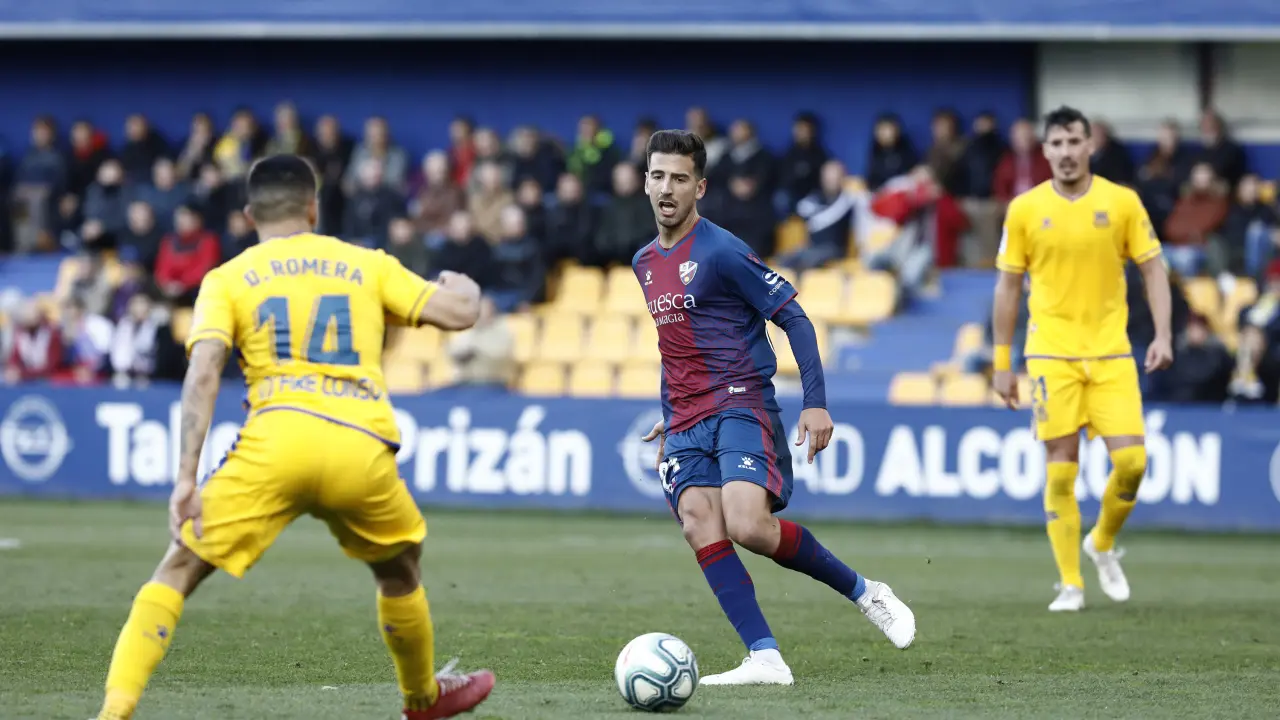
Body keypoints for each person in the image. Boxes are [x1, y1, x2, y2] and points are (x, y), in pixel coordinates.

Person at [94, 155, 495, 720]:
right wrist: (464, 285)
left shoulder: (227, 279)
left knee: (178, 569)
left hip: (274, 445)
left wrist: (186, 478)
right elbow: (460, 313)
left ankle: (115, 711)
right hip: (359, 445)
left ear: (249, 214)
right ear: (313, 208)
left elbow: (203, 371)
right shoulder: (365, 264)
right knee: (400, 568)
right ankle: (422, 698)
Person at [634, 131, 915, 686]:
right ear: (646, 182)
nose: (668, 188)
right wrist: (672, 409)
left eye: (680, 178)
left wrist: (816, 403)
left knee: (748, 526)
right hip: (686, 417)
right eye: (659, 176)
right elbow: (676, 344)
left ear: (699, 188)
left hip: (740, 401)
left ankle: (866, 592)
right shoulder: (644, 261)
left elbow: (795, 318)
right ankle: (765, 657)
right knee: (700, 524)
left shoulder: (722, 251)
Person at [992, 107, 1174, 613]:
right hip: (1050, 354)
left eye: (1075, 141)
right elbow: (1007, 287)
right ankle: (1071, 583)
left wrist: (1163, 334)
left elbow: (1153, 269)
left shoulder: (1122, 202)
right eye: (1057, 143)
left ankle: (1101, 542)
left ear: (1090, 145)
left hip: (1111, 352)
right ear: (1045, 150)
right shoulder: (1025, 209)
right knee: (1060, 472)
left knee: (1132, 464)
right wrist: (1001, 361)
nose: (1067, 152)